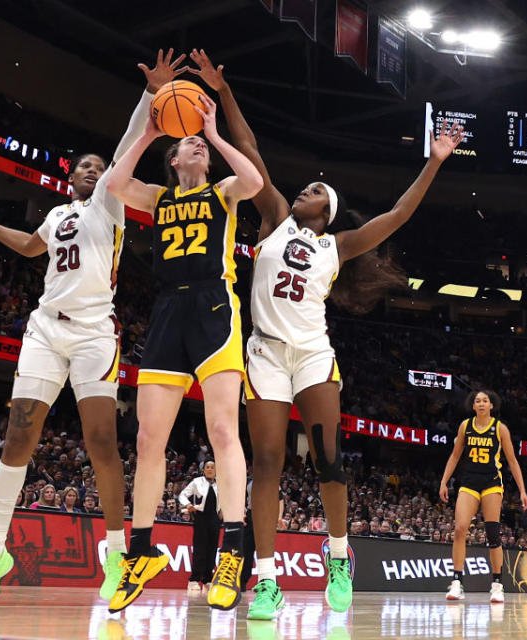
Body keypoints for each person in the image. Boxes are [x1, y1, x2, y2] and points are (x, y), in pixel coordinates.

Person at [185, 49, 462, 619]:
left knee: (328, 461)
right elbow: (254, 153)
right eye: (307, 186)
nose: (306, 188)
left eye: (315, 189)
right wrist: (225, 92)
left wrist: (434, 161)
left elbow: (398, 216)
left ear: (327, 211)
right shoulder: (274, 216)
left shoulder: (337, 245)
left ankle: (339, 557)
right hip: (262, 351)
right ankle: (266, 581)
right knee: (267, 463)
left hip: (312, 353)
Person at [0, 51, 186, 606]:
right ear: (70, 174)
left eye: (99, 164)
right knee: (18, 435)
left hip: (92, 334)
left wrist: (149, 100)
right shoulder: (57, 216)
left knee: (102, 441)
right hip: (44, 330)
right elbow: (32, 248)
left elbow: (134, 135)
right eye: (86, 165)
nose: (94, 169)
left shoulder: (110, 203)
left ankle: (114, 555)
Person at [105, 58, 263, 612]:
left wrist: (216, 134)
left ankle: (233, 551)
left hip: (216, 308)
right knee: (149, 440)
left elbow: (256, 181)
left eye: (201, 143)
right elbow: (113, 183)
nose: (196, 145)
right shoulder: (158, 196)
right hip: (169, 312)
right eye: (190, 141)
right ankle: (142, 551)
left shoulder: (223, 191)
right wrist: (149, 130)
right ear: (172, 157)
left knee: (223, 429)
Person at [438, 390, 527, 603]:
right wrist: (444, 481)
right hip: (469, 482)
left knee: (492, 533)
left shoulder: (500, 428)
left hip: (491, 483)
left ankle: (497, 585)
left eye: (485, 401)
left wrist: (522, 490)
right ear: (473, 406)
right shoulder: (465, 426)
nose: (481, 404)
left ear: (491, 405)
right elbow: (454, 455)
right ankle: (457, 582)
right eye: (477, 401)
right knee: (460, 528)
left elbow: (513, 461)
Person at [178, 460, 221, 593]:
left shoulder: (220, 484)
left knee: (212, 549)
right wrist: (188, 505)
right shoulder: (197, 482)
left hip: (215, 519)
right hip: (201, 517)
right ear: (203, 470)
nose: (209, 469)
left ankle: (208, 579)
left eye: (212, 467)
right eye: (207, 467)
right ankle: (194, 579)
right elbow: (182, 495)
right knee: (199, 549)